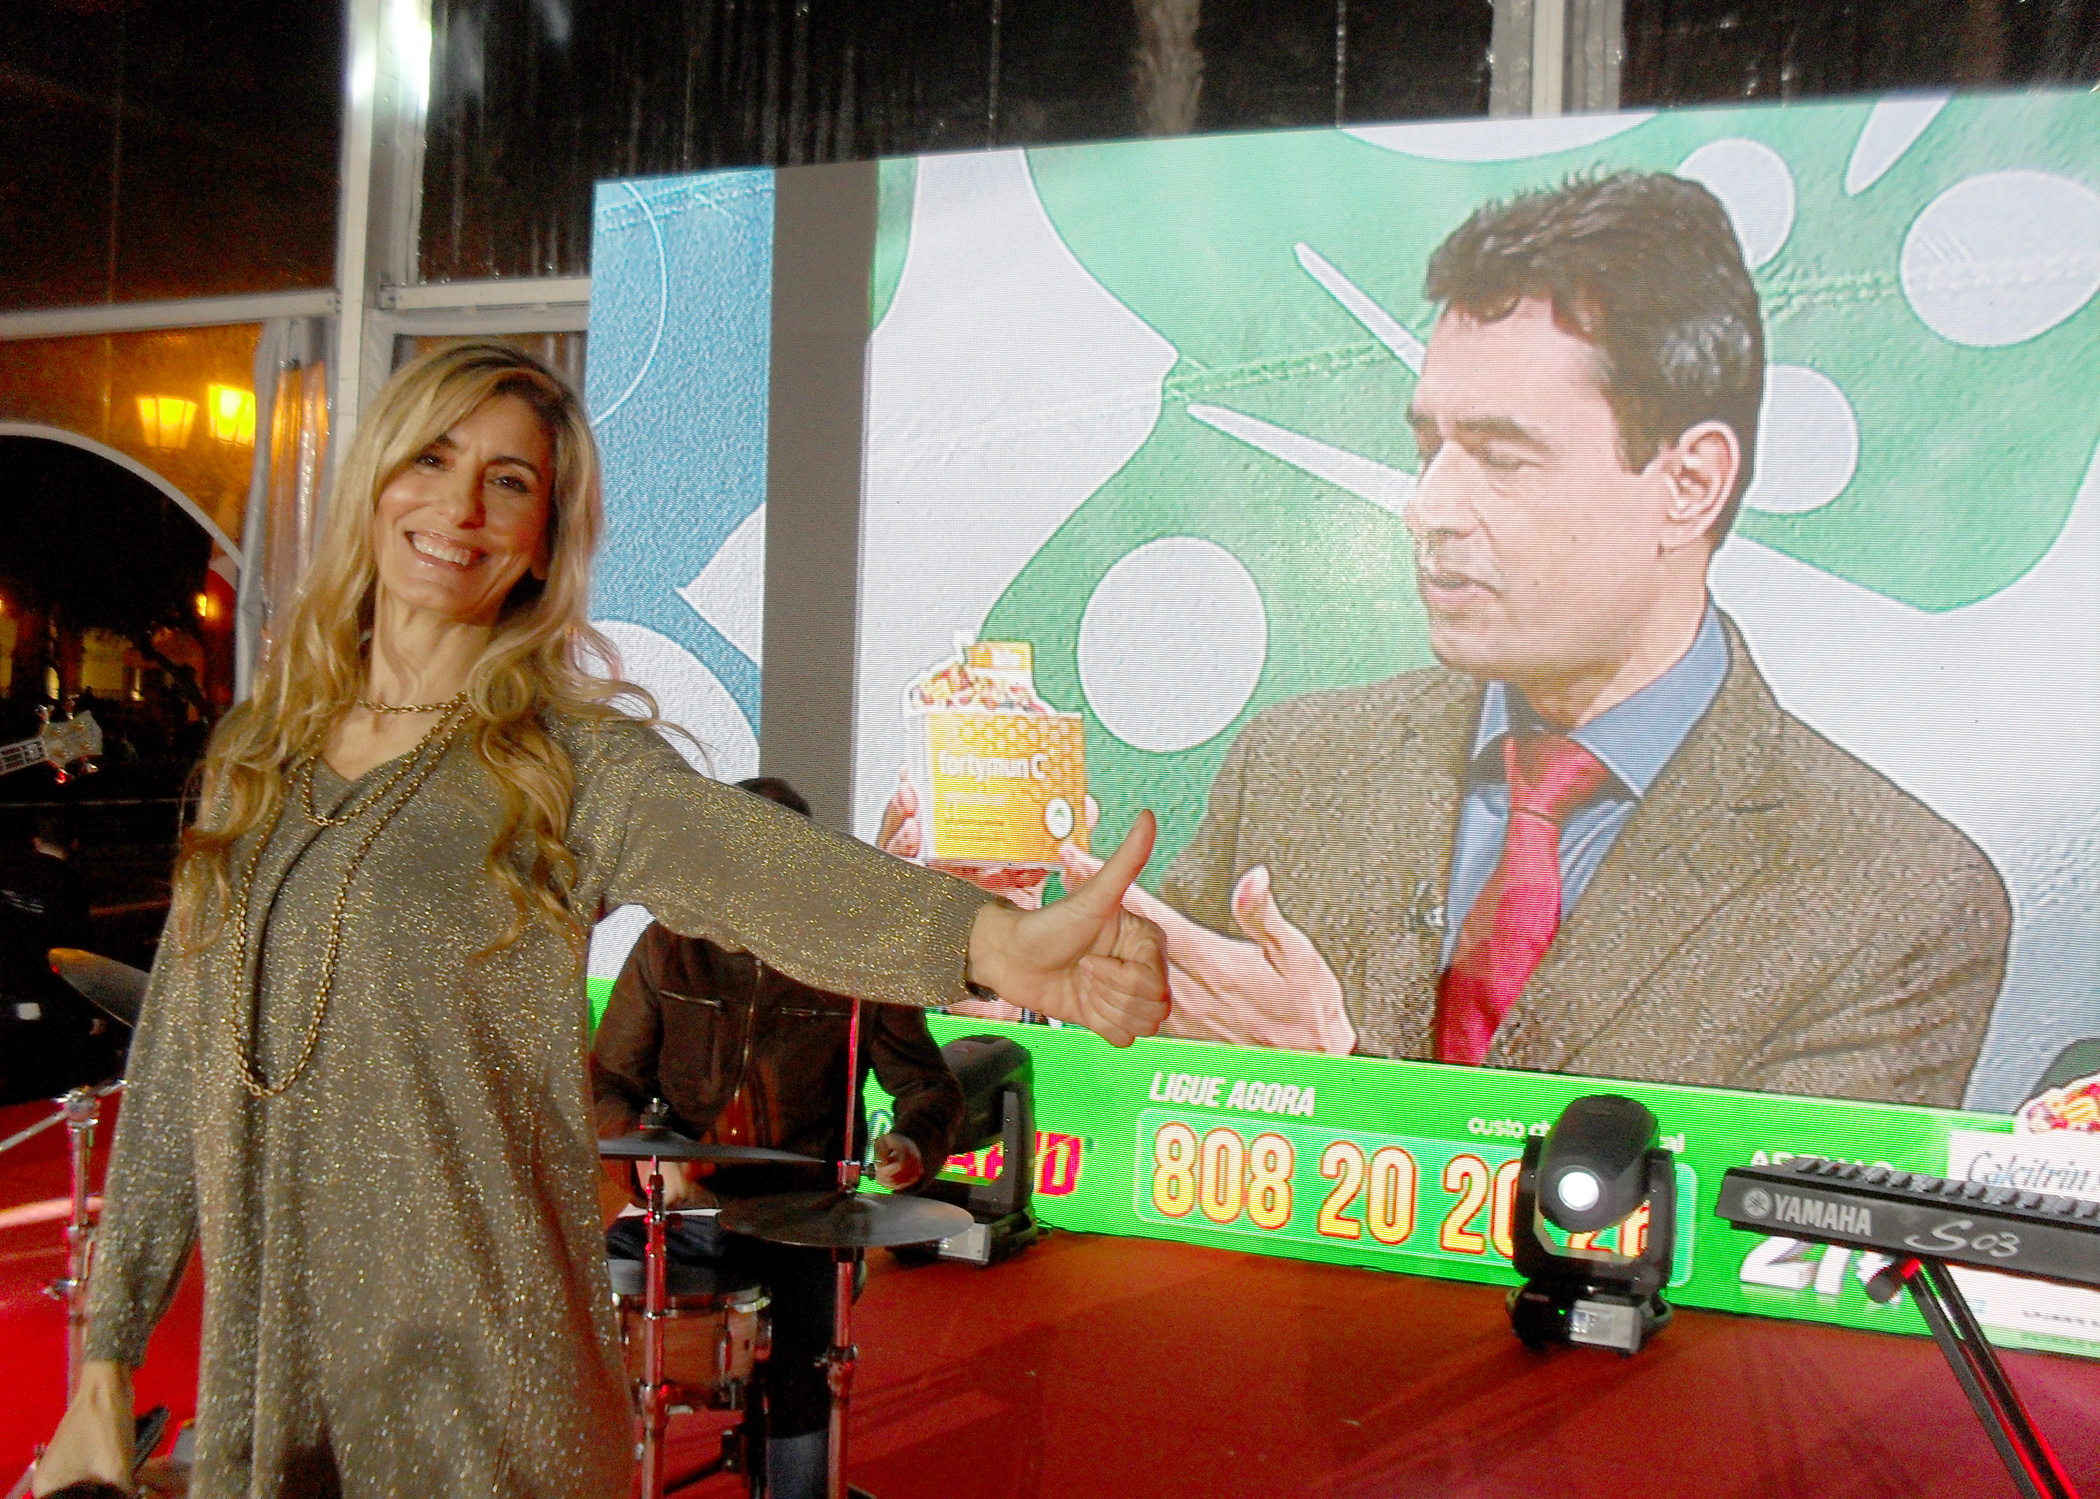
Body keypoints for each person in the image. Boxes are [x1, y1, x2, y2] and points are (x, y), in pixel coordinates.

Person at [32, 341, 1170, 1498]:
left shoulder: (559, 762)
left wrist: (994, 942)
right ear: (376, 478)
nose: (461, 507)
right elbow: (174, 1060)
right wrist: (106, 1357)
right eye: (432, 458)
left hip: (482, 1392)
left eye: (509, 481)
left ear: (543, 540)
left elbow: (750, 862)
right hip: (270, 1386)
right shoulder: (255, 757)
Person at [893, 172, 2010, 1109]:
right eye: (1428, 447)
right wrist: (990, 963)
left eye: (1503, 456)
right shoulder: (1298, 767)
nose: (1426, 506)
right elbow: (1105, 1101)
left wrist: (1326, 1092)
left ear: (1690, 483)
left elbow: (1756, 1272)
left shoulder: (1900, 900)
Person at [593, 776, 965, 1498]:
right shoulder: (669, 946)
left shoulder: (853, 959)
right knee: (582, 1307)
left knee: (805, 1367)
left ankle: (796, 1483)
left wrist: (913, 1145)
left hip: (807, 1216)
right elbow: (608, 1081)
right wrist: (644, 1159)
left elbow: (930, 1086)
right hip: (688, 1211)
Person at [0, 814, 116, 1104]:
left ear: (36, 842)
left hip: (9, 997)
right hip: (51, 1005)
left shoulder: (8, 874)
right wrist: (90, 1014)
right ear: (74, 844)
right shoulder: (70, 884)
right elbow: (78, 953)